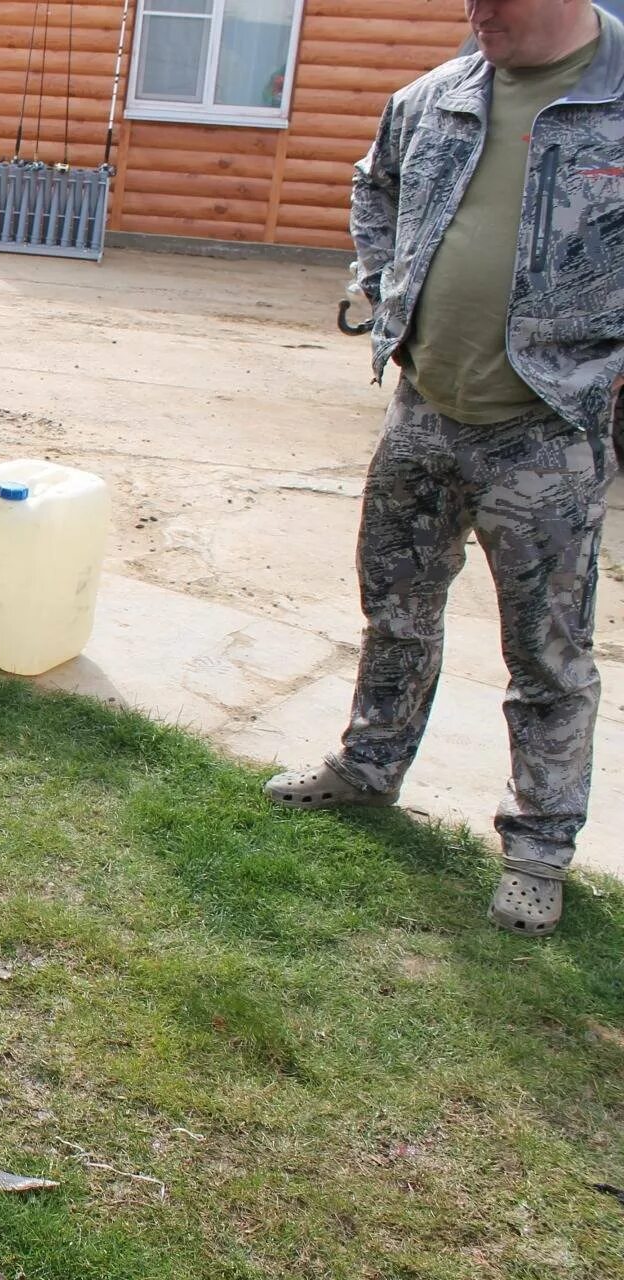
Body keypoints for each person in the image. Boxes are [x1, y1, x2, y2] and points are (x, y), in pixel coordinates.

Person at [266, 0, 622, 936]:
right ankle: (370, 768)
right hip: (424, 410)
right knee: (396, 610)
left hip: (546, 432)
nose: (475, 14)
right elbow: (373, 186)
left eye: (495, 1)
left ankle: (539, 849)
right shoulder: (437, 96)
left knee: (546, 655)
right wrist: (387, 286)